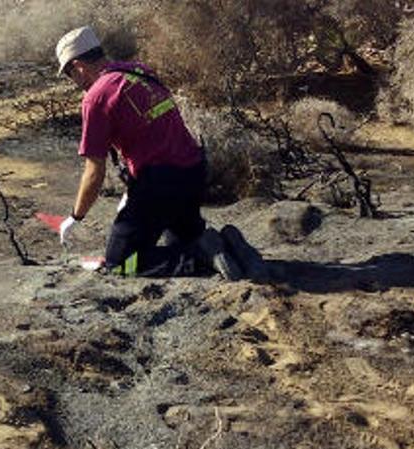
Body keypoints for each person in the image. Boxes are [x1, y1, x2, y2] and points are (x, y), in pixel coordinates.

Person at [53, 26, 268, 280]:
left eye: (69, 74)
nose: (73, 82)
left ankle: (199, 258)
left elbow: (94, 170)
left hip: (159, 184)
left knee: (121, 263)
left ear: (78, 66)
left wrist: (75, 217)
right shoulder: (138, 71)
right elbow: (151, 133)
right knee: (176, 241)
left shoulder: (96, 96)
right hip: (193, 172)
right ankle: (223, 244)